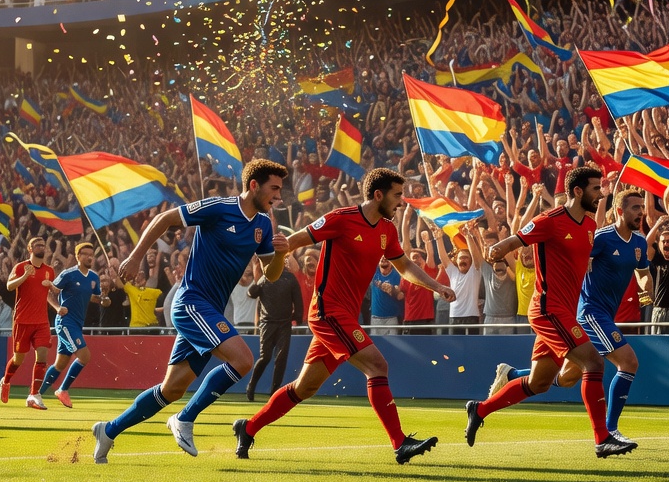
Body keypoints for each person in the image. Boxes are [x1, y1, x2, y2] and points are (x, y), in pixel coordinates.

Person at [233, 168, 453, 464]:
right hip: (327, 312)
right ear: (378, 195)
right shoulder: (341, 217)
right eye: (397, 195)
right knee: (377, 365)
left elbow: (404, 267)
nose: (401, 201)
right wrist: (280, 251)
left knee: (304, 387)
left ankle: (247, 428)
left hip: (345, 316)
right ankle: (400, 443)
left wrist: (437, 285)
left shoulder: (387, 230)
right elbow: (301, 237)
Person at [93, 160, 288, 463]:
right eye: (274, 188)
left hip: (209, 310)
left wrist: (281, 255)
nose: (278, 195)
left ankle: (108, 430)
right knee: (243, 359)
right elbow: (164, 219)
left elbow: (271, 274)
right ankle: (184, 418)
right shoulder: (218, 207)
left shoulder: (263, 224)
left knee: (172, 388)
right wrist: (134, 258)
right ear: (254, 185)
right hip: (190, 302)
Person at [468, 168, 634, 457]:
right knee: (594, 363)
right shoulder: (550, 220)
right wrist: (495, 249)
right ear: (578, 191)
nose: (601, 194)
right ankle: (602, 438)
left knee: (539, 383)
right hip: (548, 309)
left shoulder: (591, 225)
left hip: (565, 311)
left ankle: (479, 409)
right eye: (596, 189)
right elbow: (515, 241)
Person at [558, 191, 655, 445]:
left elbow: (643, 273)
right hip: (590, 312)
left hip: (606, 314)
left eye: (641, 208)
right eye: (635, 207)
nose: (640, 212)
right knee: (629, 362)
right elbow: (577, 260)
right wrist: (584, 265)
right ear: (619, 211)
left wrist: (647, 288)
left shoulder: (639, 243)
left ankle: (512, 376)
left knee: (568, 376)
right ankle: (610, 430)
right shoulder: (601, 238)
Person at [40, 242, 109, 408]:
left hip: (77, 324)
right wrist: (57, 308)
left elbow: (95, 298)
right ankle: (63, 390)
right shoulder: (68, 274)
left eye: (91, 254)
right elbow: (50, 292)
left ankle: (36, 393)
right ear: (78, 257)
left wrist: (103, 300)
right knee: (84, 356)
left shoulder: (93, 277)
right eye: (85, 254)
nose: (89, 257)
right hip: (66, 322)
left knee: (60, 364)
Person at [0, 236, 57, 410]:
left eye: (43, 245)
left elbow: (46, 293)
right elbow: (9, 286)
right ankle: (6, 381)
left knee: (43, 356)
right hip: (22, 320)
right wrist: (25, 275)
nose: (41, 247)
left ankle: (34, 395)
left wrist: (56, 305)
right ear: (30, 249)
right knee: (19, 359)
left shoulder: (49, 271)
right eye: (37, 245)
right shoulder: (21, 267)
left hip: (41, 322)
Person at [245, 262, 302, 401]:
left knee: (281, 358)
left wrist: (297, 316)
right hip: (267, 323)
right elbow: (252, 293)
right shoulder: (265, 279)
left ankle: (275, 391)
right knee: (265, 357)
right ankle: (251, 385)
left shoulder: (289, 278)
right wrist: (256, 284)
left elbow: (298, 301)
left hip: (283, 323)